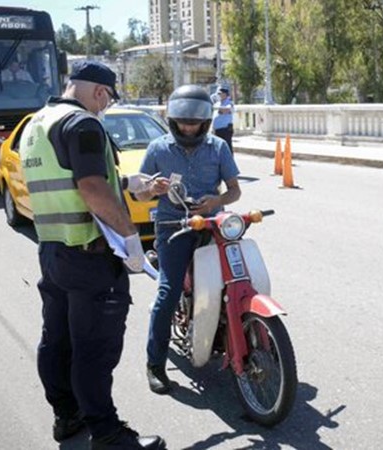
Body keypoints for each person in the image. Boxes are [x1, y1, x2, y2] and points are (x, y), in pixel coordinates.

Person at [20, 60, 166, 450]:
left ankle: (66, 417)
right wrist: (132, 239)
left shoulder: (38, 124)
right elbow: (90, 188)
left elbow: (71, 180)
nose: (104, 108)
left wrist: (129, 183)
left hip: (53, 250)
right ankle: (107, 433)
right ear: (100, 92)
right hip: (90, 257)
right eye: (106, 100)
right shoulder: (84, 123)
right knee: (94, 349)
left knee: (58, 340)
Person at [135, 84, 241, 394]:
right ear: (173, 120)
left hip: (211, 224)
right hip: (172, 226)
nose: (189, 127)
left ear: (206, 122)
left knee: (233, 280)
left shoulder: (218, 148)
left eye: (195, 122)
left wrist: (214, 201)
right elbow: (139, 192)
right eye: (184, 121)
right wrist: (151, 189)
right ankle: (154, 363)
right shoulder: (158, 149)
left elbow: (234, 190)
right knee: (168, 291)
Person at [210, 85, 234, 152]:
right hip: (217, 130)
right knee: (217, 148)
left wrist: (216, 108)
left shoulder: (229, 103)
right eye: (218, 94)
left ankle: (229, 161)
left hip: (225, 129)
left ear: (225, 94)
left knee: (227, 147)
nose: (219, 95)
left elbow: (227, 109)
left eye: (220, 94)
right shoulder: (217, 103)